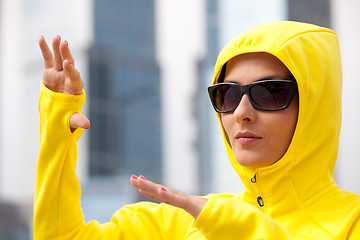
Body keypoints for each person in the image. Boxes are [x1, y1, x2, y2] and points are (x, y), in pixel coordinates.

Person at [34, 21, 360, 239]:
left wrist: (239, 228)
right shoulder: (183, 223)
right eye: (228, 95)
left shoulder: (351, 222)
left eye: (270, 92)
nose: (241, 113)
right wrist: (58, 123)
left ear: (317, 105)